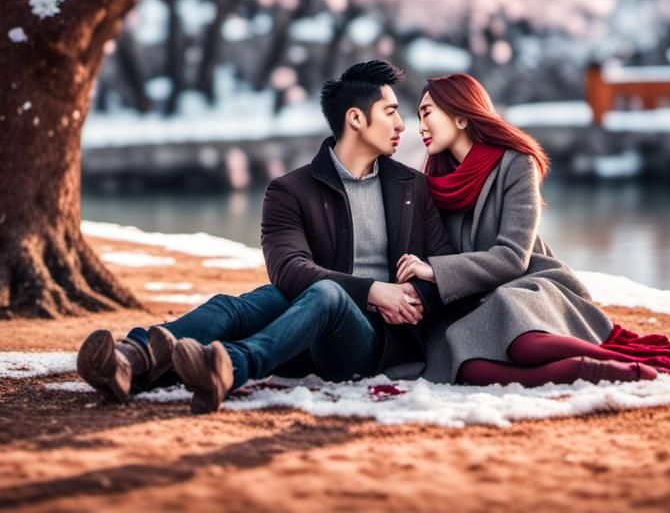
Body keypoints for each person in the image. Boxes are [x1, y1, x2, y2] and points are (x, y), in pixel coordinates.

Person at [76, 60, 453, 412]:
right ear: (355, 118)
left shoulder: (413, 188)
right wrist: (373, 289)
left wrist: (414, 296)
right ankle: (130, 360)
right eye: (390, 113)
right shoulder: (290, 190)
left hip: (375, 345)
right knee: (253, 301)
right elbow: (289, 269)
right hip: (301, 336)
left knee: (326, 294)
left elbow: (442, 265)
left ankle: (230, 365)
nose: (402, 125)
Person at [397, 73, 670, 387]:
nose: (420, 126)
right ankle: (581, 370)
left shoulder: (516, 164)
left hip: (526, 283)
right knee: (466, 365)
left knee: (519, 334)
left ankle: (619, 365)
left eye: (427, 113)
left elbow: (512, 257)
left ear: (461, 116)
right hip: (466, 300)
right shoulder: (432, 183)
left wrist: (435, 271)